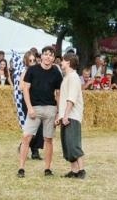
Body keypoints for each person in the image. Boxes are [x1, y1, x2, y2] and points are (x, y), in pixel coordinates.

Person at [17, 47, 62, 177]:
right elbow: (25, 89)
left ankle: (47, 169)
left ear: (53, 58)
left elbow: (58, 93)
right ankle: (21, 168)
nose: (48, 57)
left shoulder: (56, 72)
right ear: (41, 56)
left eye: (50, 55)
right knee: (26, 137)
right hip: (35, 108)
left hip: (51, 109)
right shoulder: (32, 70)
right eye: (45, 54)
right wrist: (29, 107)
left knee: (48, 139)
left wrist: (59, 112)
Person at [56, 49, 86, 178]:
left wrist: (66, 115)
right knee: (67, 144)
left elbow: (71, 99)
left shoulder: (73, 78)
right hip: (67, 115)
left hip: (72, 116)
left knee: (73, 144)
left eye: (63, 60)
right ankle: (74, 170)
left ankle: (82, 170)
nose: (61, 62)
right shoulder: (68, 77)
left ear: (68, 62)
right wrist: (60, 115)